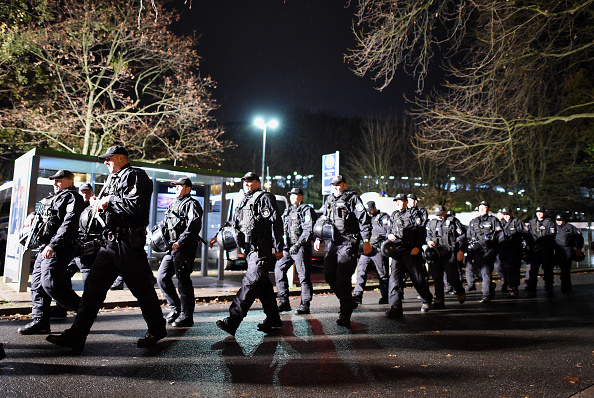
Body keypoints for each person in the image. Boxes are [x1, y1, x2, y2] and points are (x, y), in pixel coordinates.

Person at [46, 145, 166, 352]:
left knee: (142, 290)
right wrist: (97, 203)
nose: (105, 162)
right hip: (110, 243)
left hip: (128, 243)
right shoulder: (113, 178)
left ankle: (157, 328)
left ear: (121, 157)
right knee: (92, 289)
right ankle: (76, 335)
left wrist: (108, 201)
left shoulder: (136, 175)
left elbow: (134, 206)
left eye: (108, 158)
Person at [212, 172, 284, 336]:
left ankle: (233, 321)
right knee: (262, 285)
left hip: (261, 249)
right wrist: (218, 236)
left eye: (250, 181)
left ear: (258, 183)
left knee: (251, 283)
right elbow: (231, 223)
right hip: (249, 250)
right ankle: (273, 319)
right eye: (244, 181)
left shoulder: (265, 198)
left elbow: (275, 223)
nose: (246, 184)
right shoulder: (243, 200)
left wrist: (278, 247)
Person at [18, 169, 84, 335]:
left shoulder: (73, 197)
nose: (55, 183)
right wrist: (32, 215)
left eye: (59, 180)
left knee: (51, 284)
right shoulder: (51, 198)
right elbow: (44, 214)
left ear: (69, 181)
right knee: (38, 285)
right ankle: (40, 322)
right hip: (44, 247)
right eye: (54, 180)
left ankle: (83, 311)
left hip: (59, 247)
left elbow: (68, 223)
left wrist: (53, 245)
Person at [313, 175, 371, 327]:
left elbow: (364, 219)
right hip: (333, 243)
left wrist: (366, 241)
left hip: (348, 243)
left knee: (342, 279)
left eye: (339, 184)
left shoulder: (353, 199)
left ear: (344, 185)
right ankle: (349, 302)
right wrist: (318, 238)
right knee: (328, 275)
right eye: (334, 185)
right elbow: (324, 220)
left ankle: (344, 314)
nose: (336, 187)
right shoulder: (330, 199)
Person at [156, 177, 203, 328]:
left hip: (184, 248)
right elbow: (165, 224)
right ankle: (176, 309)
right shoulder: (174, 204)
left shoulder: (192, 204)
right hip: (172, 248)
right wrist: (153, 232)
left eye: (179, 186)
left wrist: (179, 242)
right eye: (175, 186)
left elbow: (193, 226)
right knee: (162, 277)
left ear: (188, 188)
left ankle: (187, 315)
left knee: (183, 281)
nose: (176, 188)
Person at [385, 194, 433, 318]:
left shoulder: (414, 214)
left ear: (406, 202)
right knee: (394, 280)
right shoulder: (394, 214)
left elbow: (421, 231)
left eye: (400, 201)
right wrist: (389, 235)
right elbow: (389, 229)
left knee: (418, 279)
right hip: (398, 252)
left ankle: (426, 299)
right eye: (396, 201)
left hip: (411, 251)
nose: (398, 203)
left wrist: (417, 246)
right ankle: (395, 307)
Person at [275, 188, 315, 315]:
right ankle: (283, 302)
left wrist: (298, 245)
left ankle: (305, 304)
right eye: (291, 195)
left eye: (296, 195)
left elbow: (308, 229)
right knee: (279, 269)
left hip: (300, 248)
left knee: (303, 276)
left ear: (301, 197)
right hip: (288, 248)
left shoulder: (306, 210)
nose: (293, 197)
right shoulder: (287, 211)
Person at [425, 205, 466, 309]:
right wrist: (429, 241)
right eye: (437, 215)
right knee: (437, 278)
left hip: (449, 253)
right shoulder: (432, 223)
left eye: (441, 214)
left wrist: (461, 251)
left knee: (452, 276)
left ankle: (459, 291)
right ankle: (439, 300)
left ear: (445, 212)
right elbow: (428, 235)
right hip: (436, 254)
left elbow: (461, 237)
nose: (439, 217)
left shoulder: (453, 221)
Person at [352, 201, 391, 305]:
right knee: (361, 272)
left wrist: (372, 226)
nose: (369, 212)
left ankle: (385, 296)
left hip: (378, 248)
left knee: (382, 274)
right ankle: (357, 295)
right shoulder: (365, 217)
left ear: (375, 207)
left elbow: (387, 231)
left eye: (370, 210)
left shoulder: (383, 217)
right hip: (366, 249)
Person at [466, 201, 504, 303]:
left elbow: (500, 235)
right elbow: (469, 236)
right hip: (477, 250)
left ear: (488, 209)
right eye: (481, 208)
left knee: (485, 271)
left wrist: (496, 248)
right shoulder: (474, 222)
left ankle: (486, 294)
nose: (483, 210)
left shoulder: (493, 220)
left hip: (489, 250)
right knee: (477, 271)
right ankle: (490, 285)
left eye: (485, 208)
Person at [524, 206, 557, 297]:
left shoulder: (549, 223)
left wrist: (542, 241)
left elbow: (552, 235)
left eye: (541, 212)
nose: (539, 213)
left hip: (546, 250)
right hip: (535, 250)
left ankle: (549, 286)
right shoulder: (532, 222)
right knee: (533, 270)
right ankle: (532, 288)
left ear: (544, 213)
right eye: (538, 212)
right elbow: (527, 234)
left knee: (548, 270)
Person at [498, 207, 526, 298]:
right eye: (504, 214)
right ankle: (507, 283)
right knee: (503, 268)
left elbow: (526, 235)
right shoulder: (500, 224)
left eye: (507, 214)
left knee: (513, 269)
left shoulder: (517, 223)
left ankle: (513, 288)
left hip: (515, 250)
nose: (506, 216)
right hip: (503, 250)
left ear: (511, 213)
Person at [554, 213, 583, 293]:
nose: (559, 222)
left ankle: (566, 284)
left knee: (565, 269)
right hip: (557, 250)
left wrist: (578, 248)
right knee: (559, 268)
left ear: (564, 220)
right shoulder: (554, 227)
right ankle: (561, 283)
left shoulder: (569, 227)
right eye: (557, 220)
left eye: (560, 220)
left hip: (567, 250)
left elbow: (579, 237)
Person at [464, 206, 481, 292]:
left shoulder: (487, 221)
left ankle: (486, 283)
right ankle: (471, 283)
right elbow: (468, 235)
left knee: (479, 267)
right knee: (469, 265)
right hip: (471, 247)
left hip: (482, 248)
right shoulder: (473, 222)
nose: (476, 213)